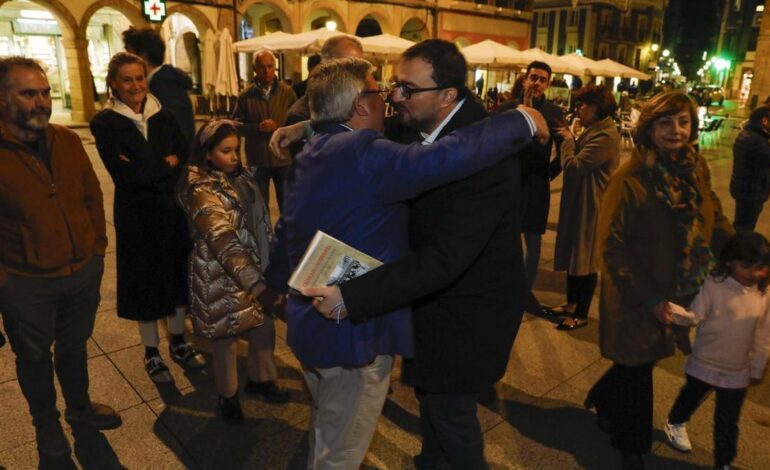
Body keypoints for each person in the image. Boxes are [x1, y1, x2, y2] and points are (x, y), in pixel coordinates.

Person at [265, 56, 546, 470]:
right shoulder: (364, 150)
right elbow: (447, 156)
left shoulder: (313, 148)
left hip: (310, 324)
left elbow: (287, 225)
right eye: (382, 90)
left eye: (405, 90)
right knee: (340, 454)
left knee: (327, 430)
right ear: (361, 105)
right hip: (353, 335)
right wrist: (520, 120)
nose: (393, 99)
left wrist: (272, 283)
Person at [586, 91, 734, 469]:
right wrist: (651, 300)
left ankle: (602, 397)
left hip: (677, 286)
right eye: (665, 122)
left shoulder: (694, 166)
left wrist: (738, 253)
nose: (676, 130)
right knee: (637, 371)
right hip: (635, 294)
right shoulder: (630, 178)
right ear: (648, 128)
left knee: (638, 362)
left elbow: (712, 213)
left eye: (683, 121)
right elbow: (613, 246)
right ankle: (631, 447)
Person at [0, 56, 121, 458]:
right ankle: (46, 423)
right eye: (28, 93)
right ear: (3, 99)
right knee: (34, 357)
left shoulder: (66, 140)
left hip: (81, 271)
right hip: (25, 282)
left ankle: (80, 408)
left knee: (73, 347)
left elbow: (91, 195)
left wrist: (98, 250)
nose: (41, 101)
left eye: (45, 92)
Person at [90, 52, 205, 384]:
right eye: (127, 79)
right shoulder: (105, 122)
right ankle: (152, 352)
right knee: (145, 282)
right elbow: (123, 174)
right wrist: (162, 163)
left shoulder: (162, 115)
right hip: (136, 215)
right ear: (113, 82)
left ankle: (179, 342)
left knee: (176, 274)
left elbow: (183, 155)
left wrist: (149, 164)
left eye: (140, 78)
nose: (135, 86)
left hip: (170, 210)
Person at [176, 119, 288, 424]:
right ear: (207, 153)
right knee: (225, 337)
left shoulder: (240, 178)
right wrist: (257, 284)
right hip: (219, 274)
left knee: (262, 325)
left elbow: (258, 222)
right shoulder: (200, 187)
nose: (234, 156)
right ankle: (228, 398)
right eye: (226, 151)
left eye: (236, 150)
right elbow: (221, 237)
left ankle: (261, 379)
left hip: (250, 269)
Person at [664, 232, 770, 470]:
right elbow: (695, 314)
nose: (754, 273)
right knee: (691, 396)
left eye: (761, 267)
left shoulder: (764, 294)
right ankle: (676, 421)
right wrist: (671, 311)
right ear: (730, 261)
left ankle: (724, 462)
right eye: (746, 266)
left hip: (737, 369)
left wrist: (758, 365)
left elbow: (764, 334)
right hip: (705, 361)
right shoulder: (715, 285)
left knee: (728, 421)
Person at [547, 84, 620, 330]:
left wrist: (568, 141)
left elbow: (575, 168)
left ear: (597, 108)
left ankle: (581, 313)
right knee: (574, 253)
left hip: (592, 206)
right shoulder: (595, 129)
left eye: (583, 105)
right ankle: (570, 304)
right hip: (581, 203)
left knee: (586, 258)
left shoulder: (606, 135)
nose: (578, 109)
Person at [497, 61, 565, 318]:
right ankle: (507, 286)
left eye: (542, 79)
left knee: (533, 243)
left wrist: (552, 171)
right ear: (524, 79)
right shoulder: (507, 108)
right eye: (533, 77)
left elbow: (565, 146)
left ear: (548, 84)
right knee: (507, 238)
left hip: (537, 184)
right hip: (510, 182)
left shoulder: (553, 111)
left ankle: (524, 291)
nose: (537, 83)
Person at [232, 49, 297, 213]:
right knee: (259, 207)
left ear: (275, 67)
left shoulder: (287, 93)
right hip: (258, 158)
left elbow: (297, 122)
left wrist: (279, 126)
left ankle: (286, 238)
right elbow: (236, 125)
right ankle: (264, 238)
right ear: (255, 69)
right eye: (262, 67)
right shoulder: (245, 96)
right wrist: (256, 128)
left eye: (270, 66)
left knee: (288, 206)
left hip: (283, 157)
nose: (267, 71)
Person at [122, 27, 196, 143]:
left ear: (143, 55)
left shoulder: (166, 86)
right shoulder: (158, 83)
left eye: (129, 54)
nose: (125, 61)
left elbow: (178, 134)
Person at [730, 104, 770, 232]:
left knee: (741, 224)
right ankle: (737, 249)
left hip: (747, 189)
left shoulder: (751, 135)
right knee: (744, 228)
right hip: (751, 192)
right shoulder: (756, 140)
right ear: (764, 121)